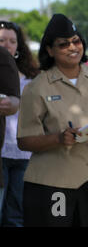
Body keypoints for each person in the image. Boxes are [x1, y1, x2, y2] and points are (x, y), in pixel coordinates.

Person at [17, 14, 88, 227]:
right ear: (50, 50)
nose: (72, 47)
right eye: (63, 44)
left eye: (76, 41)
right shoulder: (36, 88)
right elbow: (24, 141)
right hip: (55, 183)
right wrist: (58, 139)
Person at [0, 21, 39, 227]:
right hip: (1, 151)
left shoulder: (33, 78)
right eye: (2, 40)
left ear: (19, 46)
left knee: (16, 213)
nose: (7, 45)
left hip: (23, 152)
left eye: (12, 41)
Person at [0, 38, 20, 222]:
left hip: (17, 154)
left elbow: (14, 103)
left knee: (13, 216)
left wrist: (9, 103)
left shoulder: (2, 58)